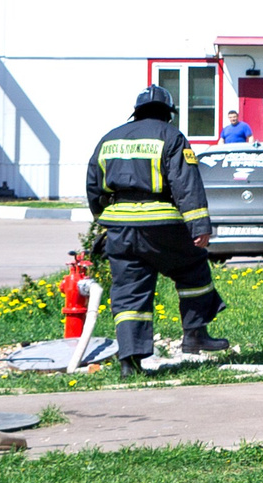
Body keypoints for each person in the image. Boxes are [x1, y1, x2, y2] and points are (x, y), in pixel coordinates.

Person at [84, 85, 228, 377]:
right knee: (193, 268)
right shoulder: (171, 136)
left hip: (121, 229)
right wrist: (199, 226)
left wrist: (104, 220)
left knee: (128, 293)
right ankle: (195, 334)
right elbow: (185, 183)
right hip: (162, 226)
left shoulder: (109, 139)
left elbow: (93, 185)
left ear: (136, 113)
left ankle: (129, 362)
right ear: (168, 114)